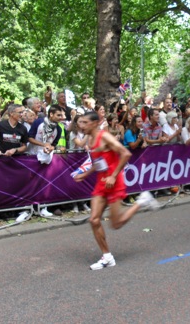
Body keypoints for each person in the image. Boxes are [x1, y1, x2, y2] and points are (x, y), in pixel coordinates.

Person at [73, 111, 159, 270]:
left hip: (114, 182)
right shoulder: (89, 138)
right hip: (101, 182)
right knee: (94, 220)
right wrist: (85, 174)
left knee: (116, 224)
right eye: (81, 122)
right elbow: (99, 161)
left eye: (85, 122)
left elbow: (125, 154)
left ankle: (142, 201)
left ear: (95, 123)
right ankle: (107, 257)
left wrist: (113, 175)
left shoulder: (105, 136)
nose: (81, 125)